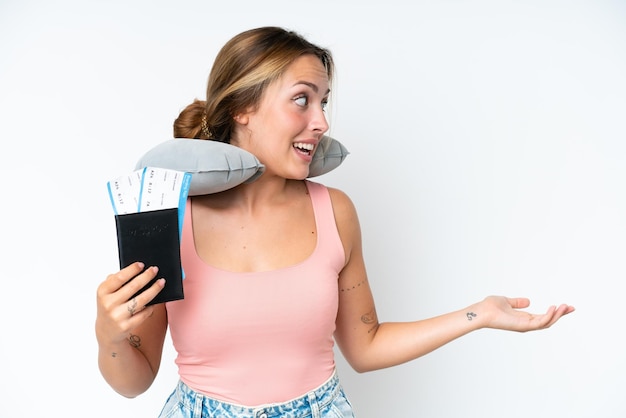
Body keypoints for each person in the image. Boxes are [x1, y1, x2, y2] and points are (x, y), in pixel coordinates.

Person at [95, 26, 575, 418]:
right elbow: (134, 382)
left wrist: (479, 315)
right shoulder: (164, 216)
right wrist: (109, 333)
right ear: (243, 107)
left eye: (324, 101)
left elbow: (365, 348)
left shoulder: (335, 211)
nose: (321, 121)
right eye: (302, 99)